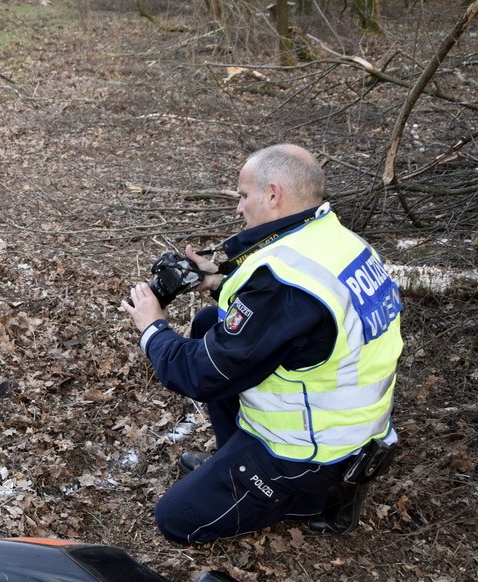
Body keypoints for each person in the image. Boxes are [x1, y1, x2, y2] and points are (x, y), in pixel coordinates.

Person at [121, 144, 403, 544]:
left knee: (176, 519)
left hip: (312, 452)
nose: (239, 208)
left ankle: (314, 499)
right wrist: (214, 282)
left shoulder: (286, 285)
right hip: (357, 427)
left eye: (243, 195)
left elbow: (201, 373)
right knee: (207, 322)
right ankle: (238, 459)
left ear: (273, 195)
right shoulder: (337, 240)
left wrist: (153, 328)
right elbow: (291, 321)